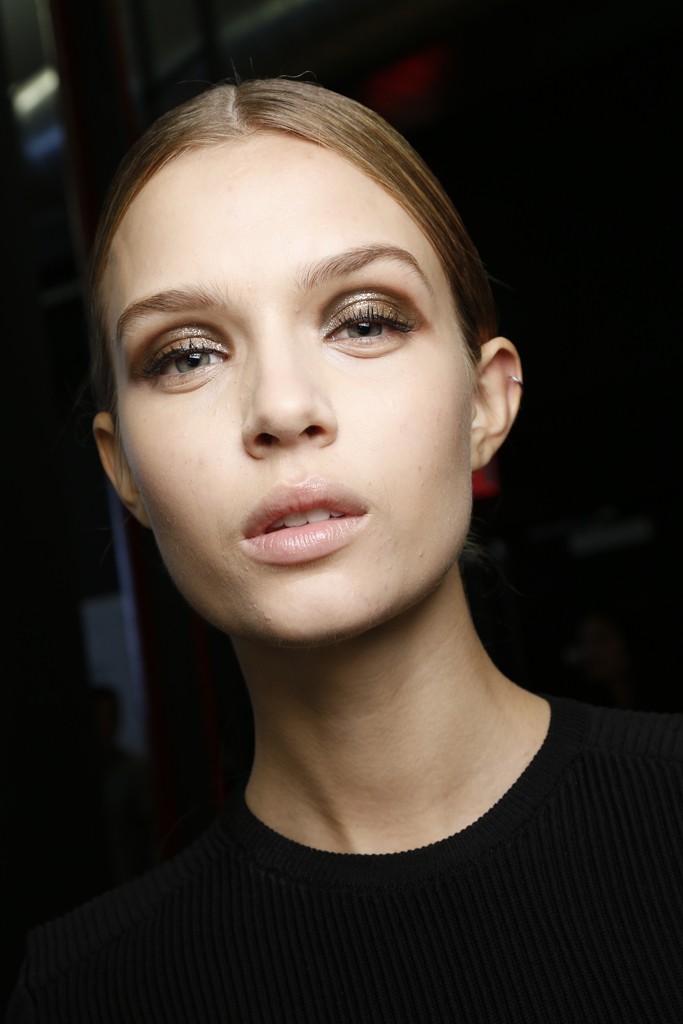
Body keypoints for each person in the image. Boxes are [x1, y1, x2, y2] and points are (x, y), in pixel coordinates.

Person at [6, 76, 682, 1023]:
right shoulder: (78, 998)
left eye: (364, 321)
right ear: (123, 472)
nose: (283, 408)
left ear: (485, 401)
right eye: (187, 354)